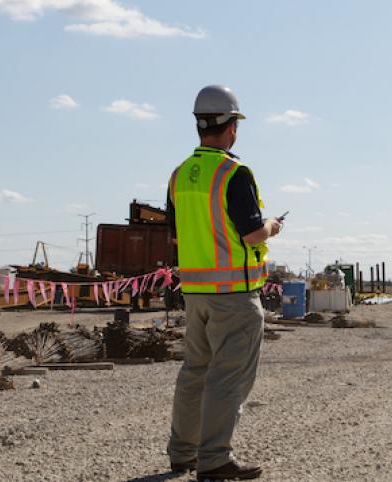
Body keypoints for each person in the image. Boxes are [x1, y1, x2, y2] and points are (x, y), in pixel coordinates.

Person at [165, 85, 282, 480]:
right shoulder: (234, 172)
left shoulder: (180, 176)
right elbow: (251, 234)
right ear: (232, 127)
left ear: (199, 125)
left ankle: (182, 452)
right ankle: (214, 460)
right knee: (227, 379)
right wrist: (272, 226)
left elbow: (178, 236)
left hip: (195, 293)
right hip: (234, 295)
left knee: (194, 372)